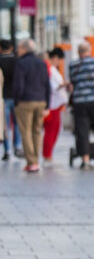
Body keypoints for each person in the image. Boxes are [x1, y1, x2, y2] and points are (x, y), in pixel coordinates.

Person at [69, 42, 94, 169]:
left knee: (82, 130)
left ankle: (85, 160)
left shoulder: (73, 65)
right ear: (90, 51)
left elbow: (72, 83)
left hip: (81, 102)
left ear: (79, 52)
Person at [13, 39, 50, 173]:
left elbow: (19, 85)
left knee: (26, 132)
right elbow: (47, 84)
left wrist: (17, 101)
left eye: (19, 48)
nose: (17, 50)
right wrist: (47, 104)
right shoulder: (42, 63)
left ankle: (32, 162)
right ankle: (36, 160)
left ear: (24, 49)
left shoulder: (21, 63)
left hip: (25, 101)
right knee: (36, 131)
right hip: (41, 101)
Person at [42, 47, 68, 164]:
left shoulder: (52, 69)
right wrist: (63, 85)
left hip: (55, 104)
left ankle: (48, 154)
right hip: (52, 104)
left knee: (54, 130)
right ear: (55, 58)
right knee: (51, 130)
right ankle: (47, 155)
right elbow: (52, 87)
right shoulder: (50, 69)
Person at [0, 39, 22, 161]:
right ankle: (17, 146)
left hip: (3, 97)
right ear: (12, 48)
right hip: (16, 96)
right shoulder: (17, 61)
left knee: (5, 125)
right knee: (17, 124)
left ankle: (7, 150)